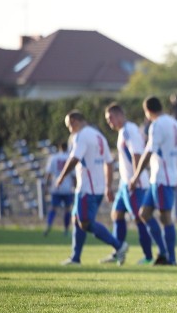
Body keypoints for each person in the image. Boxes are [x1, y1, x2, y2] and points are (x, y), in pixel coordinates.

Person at [55, 110, 128, 266]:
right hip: (97, 186)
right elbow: (109, 162)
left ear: (74, 121)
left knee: (86, 223)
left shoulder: (81, 136)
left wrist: (61, 176)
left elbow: (75, 158)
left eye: (69, 125)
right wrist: (108, 185)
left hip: (87, 188)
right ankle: (75, 258)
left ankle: (119, 245)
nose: (69, 129)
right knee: (77, 220)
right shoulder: (99, 136)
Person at [129, 96, 177, 266]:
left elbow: (149, 151)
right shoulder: (174, 123)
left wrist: (136, 175)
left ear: (148, 110)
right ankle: (163, 253)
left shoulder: (157, 125)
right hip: (163, 177)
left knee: (165, 217)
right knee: (144, 213)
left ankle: (171, 258)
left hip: (162, 177)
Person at [99, 103, 154, 265]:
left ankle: (149, 256)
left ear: (119, 115)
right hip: (125, 183)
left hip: (134, 185)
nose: (109, 123)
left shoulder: (130, 130)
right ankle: (118, 251)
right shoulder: (123, 131)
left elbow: (137, 154)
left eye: (111, 118)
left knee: (139, 219)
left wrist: (135, 179)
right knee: (116, 215)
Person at [43, 142, 74, 236]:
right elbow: (74, 176)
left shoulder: (53, 158)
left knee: (53, 208)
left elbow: (48, 174)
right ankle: (66, 230)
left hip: (56, 187)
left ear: (59, 148)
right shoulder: (70, 158)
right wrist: (76, 187)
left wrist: (46, 186)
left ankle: (48, 226)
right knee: (67, 209)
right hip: (67, 188)